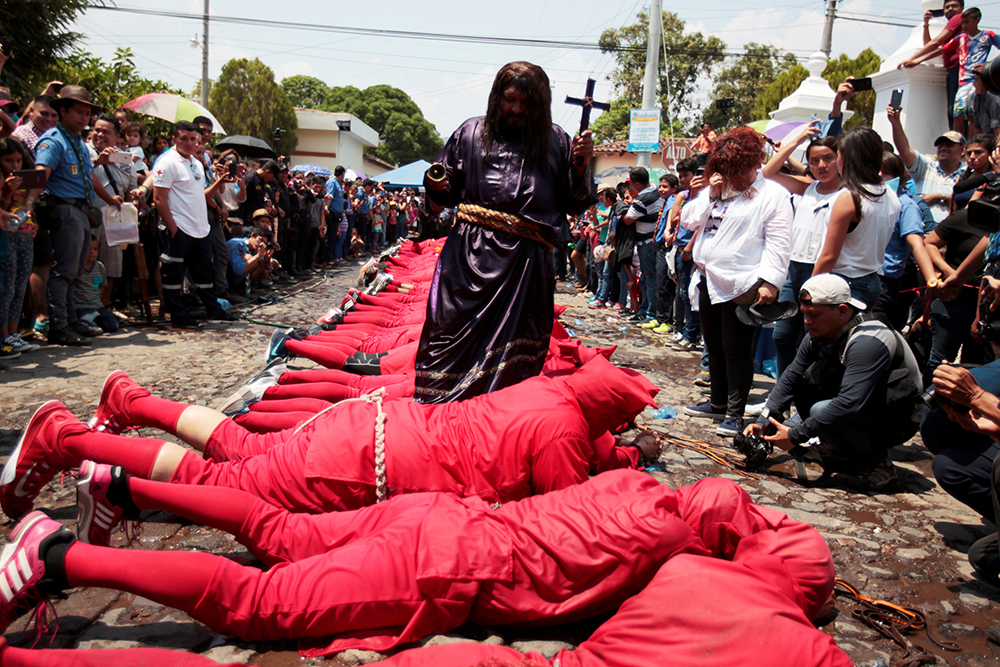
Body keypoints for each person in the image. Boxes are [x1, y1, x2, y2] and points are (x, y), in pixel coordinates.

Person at [0, 467, 835, 660]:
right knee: (262, 607)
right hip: (442, 566)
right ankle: (60, 553)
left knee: (267, 515)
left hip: (438, 515)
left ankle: (114, 479)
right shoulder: (676, 562)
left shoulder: (641, 484)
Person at [1, 354, 659, 520]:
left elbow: (564, 450)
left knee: (238, 447)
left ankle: (130, 399)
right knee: (222, 478)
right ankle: (66, 438)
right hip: (372, 460)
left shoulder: (552, 393)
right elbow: (565, 509)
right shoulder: (565, 434)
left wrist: (622, 450)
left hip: (368, 430)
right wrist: (630, 466)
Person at [414, 62, 595, 403]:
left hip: (524, 267)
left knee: (513, 357)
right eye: (510, 99)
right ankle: (436, 419)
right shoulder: (469, 133)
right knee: (447, 335)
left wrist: (581, 166)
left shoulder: (556, 141)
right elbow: (444, 195)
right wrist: (436, 185)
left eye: (526, 103)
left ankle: (499, 422)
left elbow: (575, 203)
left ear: (539, 106)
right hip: (468, 260)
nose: (515, 109)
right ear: (497, 97)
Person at [744, 274, 922, 491]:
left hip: (898, 416)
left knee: (822, 409)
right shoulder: (819, 333)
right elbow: (791, 377)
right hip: (867, 402)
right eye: (805, 315)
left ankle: (878, 463)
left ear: (842, 311)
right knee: (802, 381)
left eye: (814, 315)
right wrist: (765, 421)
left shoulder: (868, 341)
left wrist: (795, 435)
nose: (807, 321)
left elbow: (849, 403)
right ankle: (841, 448)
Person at [681, 126, 793, 437]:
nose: (735, 178)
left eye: (739, 171)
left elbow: (779, 243)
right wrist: (710, 194)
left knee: (736, 348)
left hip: (742, 284)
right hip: (708, 279)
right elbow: (689, 220)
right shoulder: (718, 190)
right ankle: (717, 402)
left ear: (755, 164)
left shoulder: (773, 196)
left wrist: (771, 282)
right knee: (713, 344)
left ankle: (734, 413)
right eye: (727, 172)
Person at [26, 85, 123, 346]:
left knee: (76, 270)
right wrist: (27, 206)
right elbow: (41, 173)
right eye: (79, 112)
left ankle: (70, 320)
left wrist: (110, 199)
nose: (84, 117)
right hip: (64, 208)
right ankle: (58, 326)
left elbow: (89, 174)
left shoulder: (78, 141)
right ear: (63, 111)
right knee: (64, 271)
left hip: (81, 209)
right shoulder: (54, 140)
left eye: (87, 113)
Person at [762, 121, 843, 377]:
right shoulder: (808, 187)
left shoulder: (847, 193)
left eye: (828, 159)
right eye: (815, 160)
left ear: (841, 159)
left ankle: (807, 399)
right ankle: (783, 395)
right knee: (782, 336)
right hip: (793, 270)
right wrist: (796, 141)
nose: (822, 165)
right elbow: (769, 173)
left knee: (813, 340)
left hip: (823, 273)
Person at [152, 120, 235, 329]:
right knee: (174, 274)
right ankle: (177, 315)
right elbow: (159, 199)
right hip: (179, 227)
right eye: (184, 139)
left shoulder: (195, 163)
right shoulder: (167, 162)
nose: (190, 144)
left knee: (204, 273)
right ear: (174, 139)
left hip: (200, 228)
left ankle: (213, 310)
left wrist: (220, 181)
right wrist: (173, 229)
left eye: (193, 139)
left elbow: (200, 194)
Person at [812, 127, 900, 309]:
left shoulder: (850, 197)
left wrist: (810, 290)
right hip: (873, 281)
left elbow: (829, 256)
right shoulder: (890, 194)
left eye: (837, 156)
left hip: (843, 283)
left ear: (848, 158)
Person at [889, 105, 966, 224]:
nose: (943, 148)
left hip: (948, 235)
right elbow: (904, 150)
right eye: (940, 145)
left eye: (950, 145)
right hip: (920, 230)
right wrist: (895, 122)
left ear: (963, 150)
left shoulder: (968, 174)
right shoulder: (926, 167)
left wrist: (940, 197)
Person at [900, 0, 966, 130]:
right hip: (953, 70)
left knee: (957, 111)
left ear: (962, 8)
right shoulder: (953, 29)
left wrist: (913, 59)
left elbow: (935, 43)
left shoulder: (958, 18)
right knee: (954, 111)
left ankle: (960, 145)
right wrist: (926, 25)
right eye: (947, 7)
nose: (950, 9)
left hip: (959, 70)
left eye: (954, 6)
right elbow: (931, 45)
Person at [620, 167, 663, 325]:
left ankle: (650, 313)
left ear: (636, 183)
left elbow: (628, 220)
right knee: (646, 279)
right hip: (652, 241)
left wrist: (623, 208)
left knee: (649, 279)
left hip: (647, 243)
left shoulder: (642, 199)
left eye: (631, 183)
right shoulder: (658, 192)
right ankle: (645, 310)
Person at [666, 157, 700, 347]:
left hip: (692, 250)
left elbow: (699, 224)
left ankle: (691, 335)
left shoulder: (706, 196)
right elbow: (673, 221)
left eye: (686, 175)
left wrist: (688, 248)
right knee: (683, 292)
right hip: (680, 248)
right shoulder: (683, 196)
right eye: (680, 176)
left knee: (691, 294)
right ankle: (686, 331)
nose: (683, 179)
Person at [645, 173, 678, 332]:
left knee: (665, 284)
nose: (661, 189)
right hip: (660, 246)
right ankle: (659, 318)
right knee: (660, 283)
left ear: (674, 188)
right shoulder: (665, 201)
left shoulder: (673, 201)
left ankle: (667, 321)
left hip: (667, 246)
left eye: (665, 187)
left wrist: (668, 231)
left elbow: (672, 216)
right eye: (661, 186)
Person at [73, 236, 117, 333]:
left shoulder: (100, 267)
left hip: (97, 305)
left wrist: (97, 302)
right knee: (91, 326)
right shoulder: (76, 268)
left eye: (95, 249)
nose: (92, 252)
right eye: (88, 249)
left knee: (113, 326)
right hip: (81, 306)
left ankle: (98, 317)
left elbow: (102, 286)